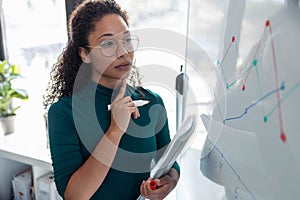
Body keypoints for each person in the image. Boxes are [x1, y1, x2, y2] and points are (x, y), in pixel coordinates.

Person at [43, 0, 180, 199]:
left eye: (127, 40)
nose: (123, 52)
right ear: (85, 54)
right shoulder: (64, 112)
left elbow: (169, 161)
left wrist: (170, 181)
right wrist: (115, 131)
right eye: (107, 43)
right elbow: (74, 195)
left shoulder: (152, 102)